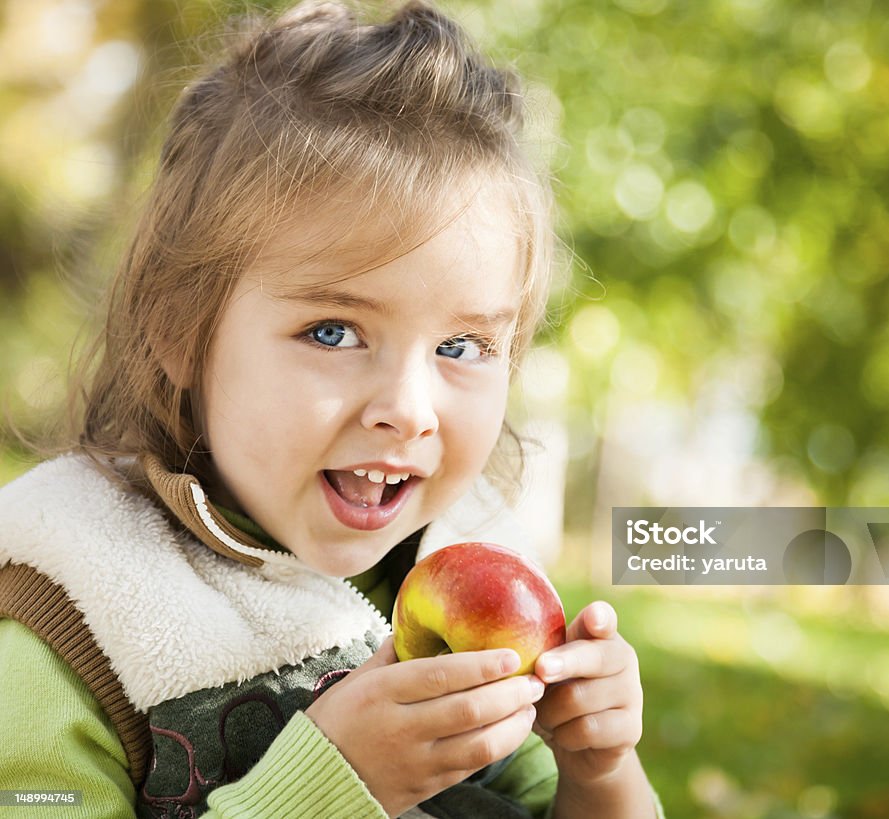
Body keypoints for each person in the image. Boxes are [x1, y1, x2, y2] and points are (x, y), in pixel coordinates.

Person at [0, 1, 662, 816]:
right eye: (333, 330)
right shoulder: (73, 612)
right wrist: (331, 789)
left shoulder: (454, 566)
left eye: (461, 348)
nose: (409, 410)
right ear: (180, 328)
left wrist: (599, 771)